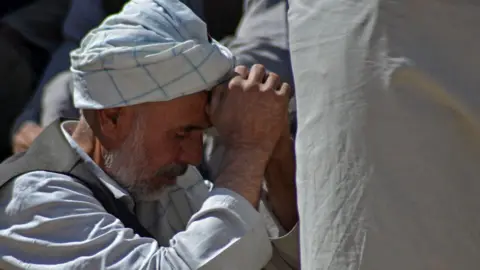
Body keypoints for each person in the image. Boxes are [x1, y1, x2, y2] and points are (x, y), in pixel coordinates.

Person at [0, 0, 299, 269]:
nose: (194, 156)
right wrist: (247, 148)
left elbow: (268, 260)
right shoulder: (34, 200)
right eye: (182, 133)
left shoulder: (161, 179)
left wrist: (275, 153)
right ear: (112, 117)